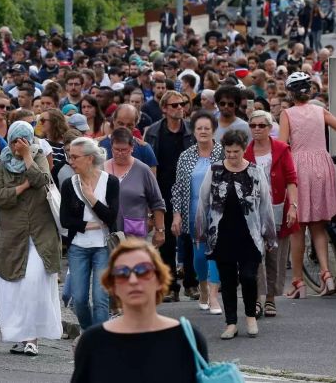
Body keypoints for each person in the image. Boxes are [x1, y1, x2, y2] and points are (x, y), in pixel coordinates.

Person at [71, 239, 208, 383]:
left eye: (143, 270)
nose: (133, 280)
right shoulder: (93, 342)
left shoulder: (187, 339)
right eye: (122, 273)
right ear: (112, 285)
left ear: (159, 279)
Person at [0, 121, 62, 356]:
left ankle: (33, 337)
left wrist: (28, 156)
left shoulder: (38, 156)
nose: (19, 146)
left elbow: (41, 180)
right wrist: (21, 188)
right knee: (16, 287)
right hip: (13, 235)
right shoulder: (2, 162)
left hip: (41, 234)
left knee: (34, 283)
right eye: (15, 141)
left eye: (24, 141)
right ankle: (21, 336)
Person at [278, 72, 336, 297]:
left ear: (291, 93)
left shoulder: (287, 114)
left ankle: (298, 283)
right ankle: (326, 274)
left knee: (297, 228)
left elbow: (282, 148)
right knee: (318, 225)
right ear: (309, 90)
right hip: (322, 165)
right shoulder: (320, 111)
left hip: (299, 167)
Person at [195, 130, 276, 340]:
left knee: (249, 276)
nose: (231, 155)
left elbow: (266, 205)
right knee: (228, 280)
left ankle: (250, 316)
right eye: (228, 151)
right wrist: (200, 232)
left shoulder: (256, 172)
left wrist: (269, 236)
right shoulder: (214, 171)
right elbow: (203, 203)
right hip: (222, 233)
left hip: (249, 234)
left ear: (243, 149)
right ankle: (231, 322)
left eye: (236, 151)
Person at [60, 137, 119, 330]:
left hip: (102, 247)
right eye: (70, 156)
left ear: (90, 158)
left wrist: (91, 198)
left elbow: (111, 217)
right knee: (79, 299)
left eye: (75, 157)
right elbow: (65, 220)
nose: (71, 161)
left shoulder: (110, 182)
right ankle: (87, 332)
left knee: (101, 299)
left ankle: (100, 339)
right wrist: (89, 225)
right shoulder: (69, 184)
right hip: (78, 247)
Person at [143, 90, 195, 303]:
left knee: (190, 238)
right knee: (165, 241)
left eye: (182, 104)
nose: (179, 108)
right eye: (174, 105)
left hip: (188, 190)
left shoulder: (191, 130)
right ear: (164, 108)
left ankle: (191, 284)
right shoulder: (154, 132)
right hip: (162, 191)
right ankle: (170, 285)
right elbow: (149, 165)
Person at [245, 110, 298, 317]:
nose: (257, 129)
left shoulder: (282, 149)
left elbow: (292, 180)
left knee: (276, 255)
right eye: (253, 125)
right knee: (255, 255)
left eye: (261, 125)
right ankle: (257, 298)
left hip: (278, 207)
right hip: (253, 210)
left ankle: (270, 299)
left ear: (269, 128)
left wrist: (293, 206)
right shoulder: (245, 151)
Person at [171, 111, 224, 314]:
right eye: (199, 128)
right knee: (200, 256)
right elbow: (177, 188)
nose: (203, 132)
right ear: (193, 131)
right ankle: (202, 287)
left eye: (207, 128)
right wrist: (177, 214)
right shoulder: (185, 156)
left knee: (215, 254)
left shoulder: (222, 153)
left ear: (213, 131)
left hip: (219, 212)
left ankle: (213, 296)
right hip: (193, 212)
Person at [104, 128, 166, 244]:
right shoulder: (102, 169)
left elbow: (157, 202)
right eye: (116, 149)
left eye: (124, 150)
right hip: (107, 234)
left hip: (135, 233)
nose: (120, 153)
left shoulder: (143, 170)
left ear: (132, 148)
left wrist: (160, 230)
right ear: (111, 147)